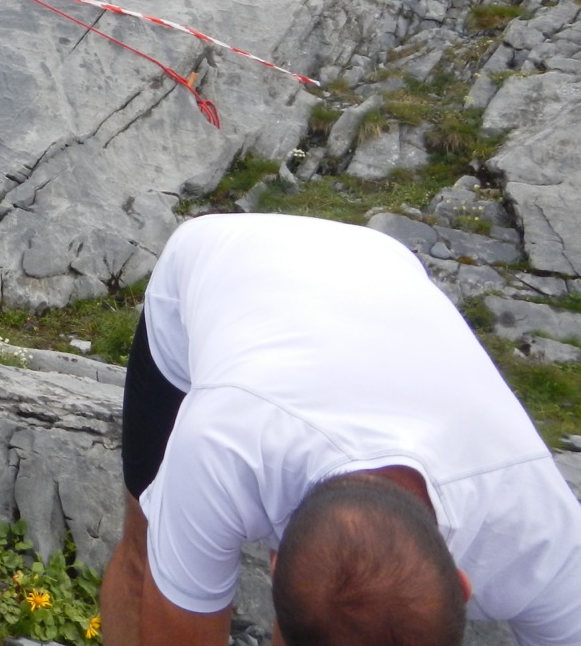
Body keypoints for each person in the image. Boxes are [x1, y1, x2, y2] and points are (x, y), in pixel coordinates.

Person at [102, 212, 581, 646]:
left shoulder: (546, 542)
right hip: (222, 261)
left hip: (381, 267)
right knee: (147, 550)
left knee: (320, 600)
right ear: (461, 585)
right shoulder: (219, 446)